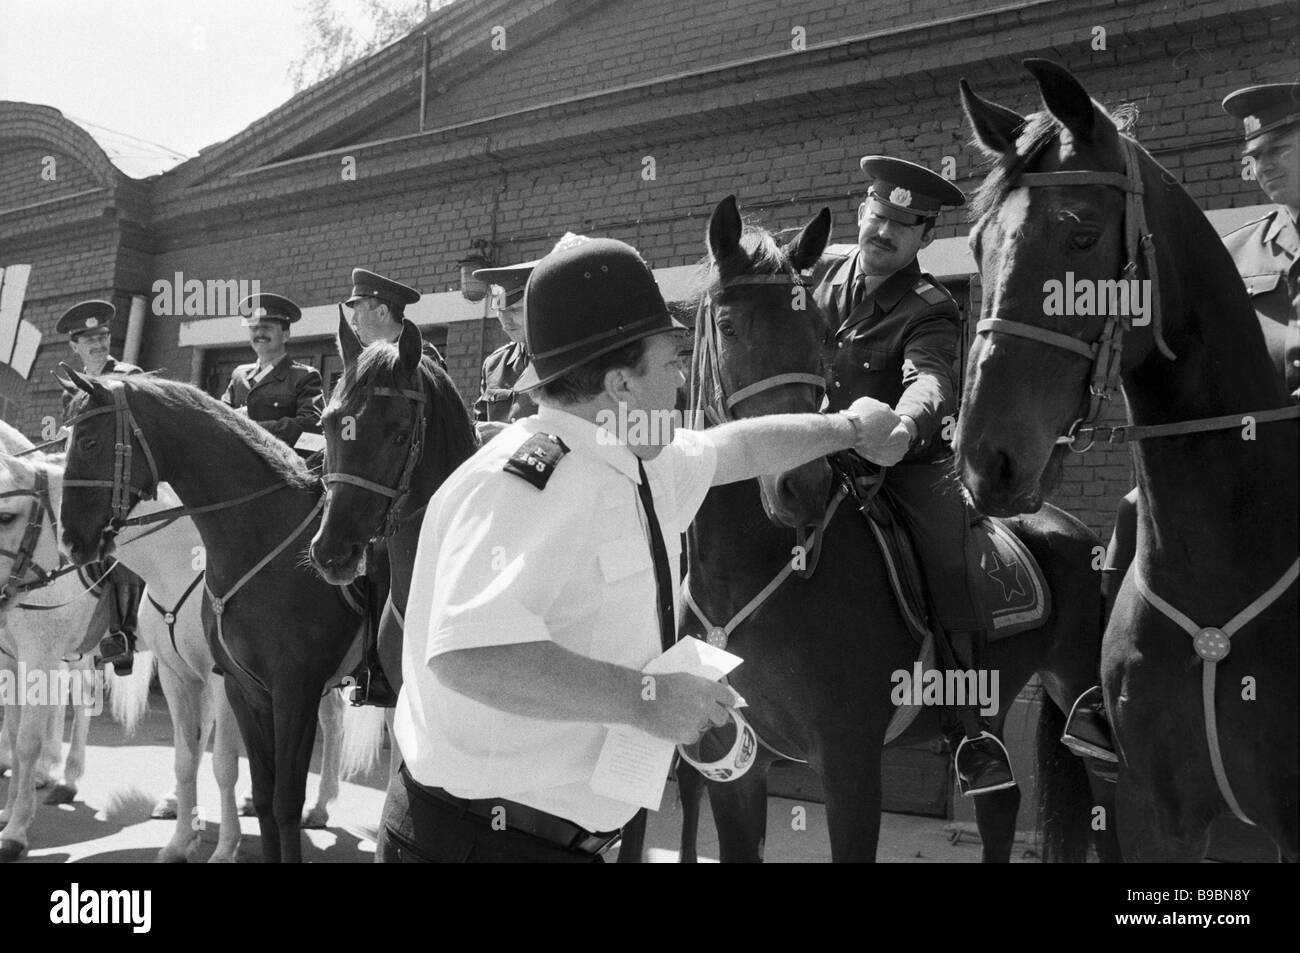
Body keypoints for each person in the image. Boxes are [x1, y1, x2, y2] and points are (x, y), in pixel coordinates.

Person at [380, 237, 910, 862]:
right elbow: (469, 657)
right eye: (671, 361)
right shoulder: (526, 482)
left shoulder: (636, 454)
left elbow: (738, 448)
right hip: (479, 843)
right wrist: (647, 700)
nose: (685, 378)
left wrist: (847, 428)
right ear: (620, 383)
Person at [1065, 82, 1300, 760]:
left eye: (1280, 147)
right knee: (1137, 510)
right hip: (1240, 468)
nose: (1262, 164)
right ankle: (1107, 700)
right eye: (1254, 154)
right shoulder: (1235, 253)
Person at [810, 155, 1014, 797]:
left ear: (926, 237)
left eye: (905, 224)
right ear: (862, 210)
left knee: (949, 556)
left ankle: (967, 726)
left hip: (902, 464)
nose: (884, 231)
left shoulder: (934, 307)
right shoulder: (817, 277)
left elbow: (931, 379)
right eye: (879, 214)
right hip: (817, 448)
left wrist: (902, 427)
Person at [56, 300, 145, 674]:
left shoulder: (128, 375)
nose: (98, 344)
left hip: (126, 482)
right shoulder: (71, 390)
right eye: (89, 339)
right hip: (89, 484)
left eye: (103, 336)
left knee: (117, 546)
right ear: (74, 347)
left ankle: (122, 634)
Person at [221, 293, 323, 456]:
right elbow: (218, 418)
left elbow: (312, 426)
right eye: (254, 328)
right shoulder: (239, 376)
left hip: (280, 472)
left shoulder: (304, 376)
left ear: (285, 335)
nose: (259, 333)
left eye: (267, 327)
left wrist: (250, 428)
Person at [471, 253, 543, 443]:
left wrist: (509, 435)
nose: (505, 320)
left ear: (537, 307)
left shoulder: (566, 360)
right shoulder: (494, 364)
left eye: (514, 310)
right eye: (500, 311)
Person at [344, 267, 446, 367]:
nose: (353, 321)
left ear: (382, 312)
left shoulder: (424, 356)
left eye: (359, 312)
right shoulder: (366, 359)